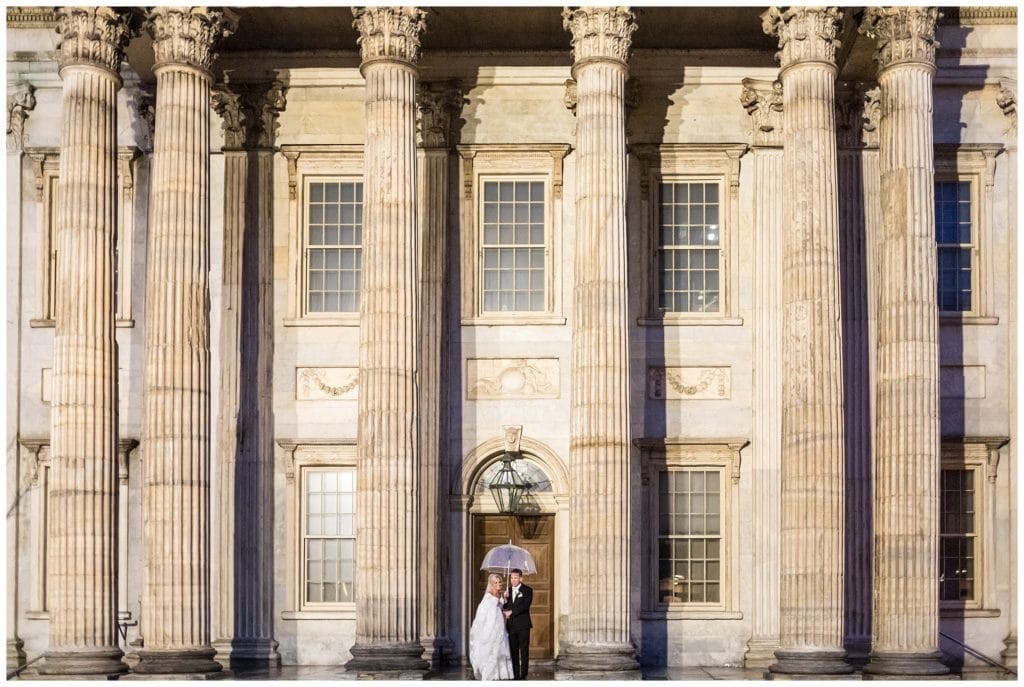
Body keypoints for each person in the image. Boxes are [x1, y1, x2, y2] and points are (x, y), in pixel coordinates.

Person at [469, 573, 515, 681]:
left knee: (500, 650)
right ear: (492, 585)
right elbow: (484, 614)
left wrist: (505, 599)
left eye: (500, 582)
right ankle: (490, 675)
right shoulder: (488, 597)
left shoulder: (500, 595)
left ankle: (500, 674)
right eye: (496, 583)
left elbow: (501, 609)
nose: (499, 584)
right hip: (491, 628)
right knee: (492, 650)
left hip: (499, 627)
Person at [502, 569, 533, 680]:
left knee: (524, 651)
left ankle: (523, 674)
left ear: (521, 578)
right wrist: (505, 600)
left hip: (523, 625)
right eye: (511, 578)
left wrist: (512, 612)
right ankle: (515, 675)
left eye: (515, 577)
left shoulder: (528, 590)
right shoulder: (508, 591)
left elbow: (525, 606)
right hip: (511, 626)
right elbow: (505, 608)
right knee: (513, 651)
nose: (513, 580)